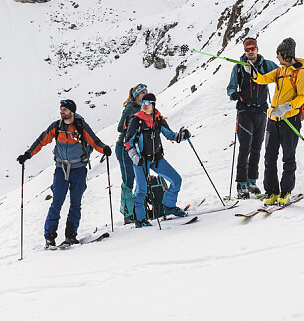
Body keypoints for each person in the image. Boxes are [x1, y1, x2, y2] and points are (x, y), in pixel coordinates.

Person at [19, 98, 111, 248]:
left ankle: (71, 235)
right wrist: (28, 154)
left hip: (79, 169)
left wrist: (104, 149)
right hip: (61, 169)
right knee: (56, 202)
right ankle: (49, 237)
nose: (62, 112)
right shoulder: (56, 127)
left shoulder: (81, 126)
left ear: (72, 112)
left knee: (76, 203)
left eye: (65, 109)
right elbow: (41, 140)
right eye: (61, 109)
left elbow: (94, 141)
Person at [250, 37, 304, 206]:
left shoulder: (301, 73)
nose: (277, 58)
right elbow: (262, 79)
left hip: (290, 120)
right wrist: (252, 72)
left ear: (285, 55)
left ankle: (285, 192)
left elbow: (302, 97)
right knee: (269, 157)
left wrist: (286, 107)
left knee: (288, 157)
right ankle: (271, 192)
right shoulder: (280, 71)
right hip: (273, 120)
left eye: (278, 55)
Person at [122, 92, 190, 227]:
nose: (143, 105)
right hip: (141, 160)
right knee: (141, 190)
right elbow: (127, 142)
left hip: (157, 158)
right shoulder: (136, 120)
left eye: (146, 103)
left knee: (176, 180)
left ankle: (169, 206)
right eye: (142, 102)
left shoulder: (158, 118)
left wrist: (181, 136)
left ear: (153, 104)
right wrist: (135, 157)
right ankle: (140, 220)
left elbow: (169, 134)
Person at [226, 37, 279, 199]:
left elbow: (280, 74)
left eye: (253, 48)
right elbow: (231, 88)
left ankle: (252, 181)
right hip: (245, 112)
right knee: (245, 147)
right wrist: (234, 94)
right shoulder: (239, 68)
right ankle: (241, 184)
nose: (250, 51)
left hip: (262, 111)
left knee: (257, 147)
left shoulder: (266, 65)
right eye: (247, 49)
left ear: (257, 48)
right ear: (244, 50)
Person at [113, 83, 148, 224]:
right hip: (123, 148)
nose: (145, 95)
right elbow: (120, 128)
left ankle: (136, 209)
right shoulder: (130, 108)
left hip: (136, 148)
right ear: (136, 95)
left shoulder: (144, 107)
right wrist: (132, 125)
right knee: (128, 179)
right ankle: (127, 213)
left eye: (146, 92)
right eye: (142, 93)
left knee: (139, 177)